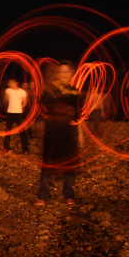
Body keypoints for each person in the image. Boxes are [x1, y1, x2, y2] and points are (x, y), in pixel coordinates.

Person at [36, 62, 81, 206]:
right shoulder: (50, 89)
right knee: (48, 163)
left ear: (72, 73)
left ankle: (68, 195)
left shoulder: (74, 91)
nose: (65, 73)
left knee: (69, 164)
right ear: (58, 72)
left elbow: (77, 114)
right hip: (53, 130)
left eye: (68, 71)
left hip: (68, 130)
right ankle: (42, 196)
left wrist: (79, 133)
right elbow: (40, 104)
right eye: (62, 70)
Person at [2, 77, 29, 153]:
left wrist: (19, 108)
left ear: (15, 83)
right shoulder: (8, 90)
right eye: (9, 83)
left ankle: (25, 149)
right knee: (8, 131)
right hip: (10, 113)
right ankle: (6, 148)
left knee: (22, 131)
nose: (9, 84)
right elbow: (5, 100)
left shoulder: (22, 91)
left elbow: (25, 102)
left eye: (10, 82)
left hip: (19, 114)